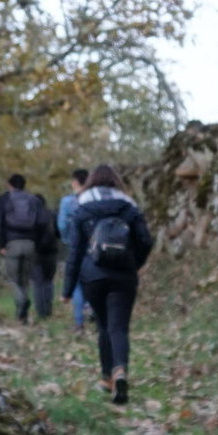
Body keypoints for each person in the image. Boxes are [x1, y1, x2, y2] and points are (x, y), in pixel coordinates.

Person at [62, 164, 153, 404]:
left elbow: (75, 251)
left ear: (91, 181)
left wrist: (67, 289)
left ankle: (107, 377)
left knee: (103, 325)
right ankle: (120, 370)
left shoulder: (82, 207)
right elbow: (146, 240)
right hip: (123, 275)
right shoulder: (129, 206)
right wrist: (134, 263)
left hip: (93, 276)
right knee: (119, 327)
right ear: (116, 182)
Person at [0, 173, 41, 323]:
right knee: (25, 279)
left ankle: (22, 300)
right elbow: (41, 223)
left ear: (10, 185)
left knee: (14, 279)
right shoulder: (33, 200)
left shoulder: (3, 199)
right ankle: (22, 316)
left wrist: (1, 244)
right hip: (30, 244)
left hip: (12, 244)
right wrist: (36, 243)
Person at [57, 168, 89, 332]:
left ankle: (79, 321)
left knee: (77, 282)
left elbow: (62, 225)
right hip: (93, 246)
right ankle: (92, 308)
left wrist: (67, 239)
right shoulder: (93, 199)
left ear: (75, 182)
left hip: (74, 245)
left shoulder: (67, 202)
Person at [31, 194, 59, 320]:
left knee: (38, 283)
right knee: (48, 281)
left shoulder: (30, 216)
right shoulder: (52, 214)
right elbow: (58, 231)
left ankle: (40, 312)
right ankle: (48, 309)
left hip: (36, 253)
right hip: (51, 252)